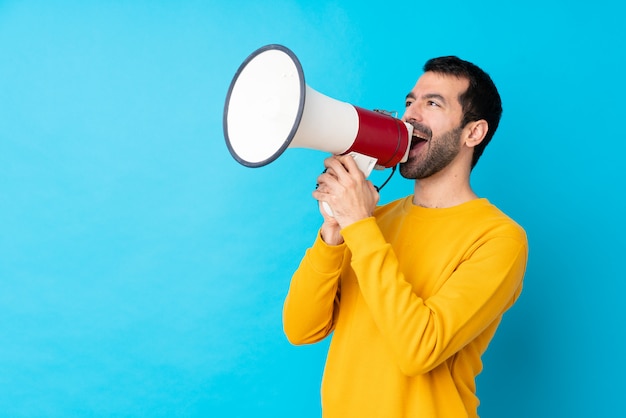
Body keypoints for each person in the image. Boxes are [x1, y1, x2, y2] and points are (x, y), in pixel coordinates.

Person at [282, 56, 528, 418]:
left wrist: (359, 224)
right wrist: (334, 230)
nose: (411, 115)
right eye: (410, 102)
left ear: (473, 133)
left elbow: (418, 350)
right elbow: (301, 328)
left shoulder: (499, 239)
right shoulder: (371, 220)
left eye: (432, 103)